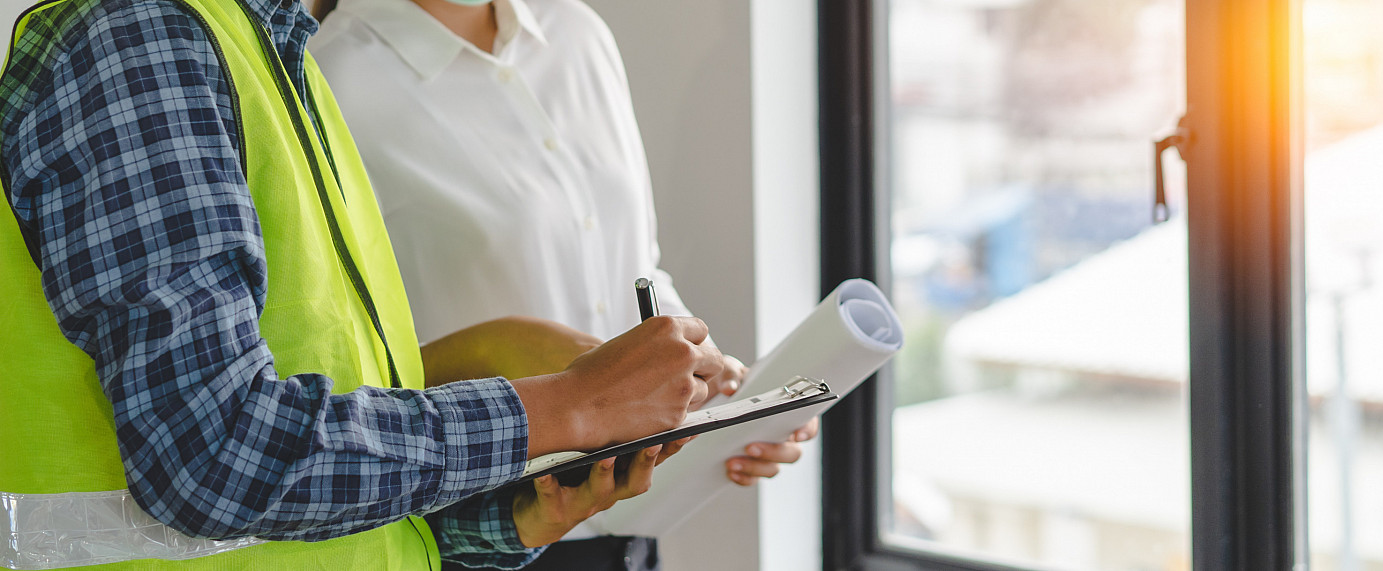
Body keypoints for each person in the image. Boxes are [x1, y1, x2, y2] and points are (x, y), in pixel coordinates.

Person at [0, 0, 723, 568]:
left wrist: (503, 517)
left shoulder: (278, 55)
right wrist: (570, 406)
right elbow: (212, 452)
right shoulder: (136, 43)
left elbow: (326, 406)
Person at [307, 0, 819, 568]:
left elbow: (638, 267)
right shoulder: (332, 74)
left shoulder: (577, 32)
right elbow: (348, 358)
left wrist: (714, 388)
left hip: (630, 516)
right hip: (486, 529)